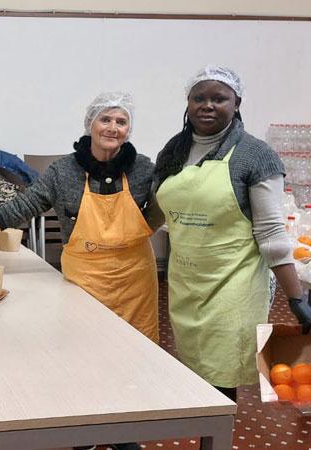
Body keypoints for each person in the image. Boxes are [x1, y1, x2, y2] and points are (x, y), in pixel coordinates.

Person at [0, 92, 158, 450]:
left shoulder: (144, 169)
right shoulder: (63, 171)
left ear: (129, 129)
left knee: (130, 359)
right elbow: (22, 206)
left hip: (134, 281)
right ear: (90, 124)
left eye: (121, 121)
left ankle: (125, 432)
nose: (112, 127)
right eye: (105, 119)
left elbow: (165, 207)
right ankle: (85, 431)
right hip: (86, 280)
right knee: (82, 357)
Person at [153, 65, 311, 408]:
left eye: (219, 98)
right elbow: (157, 209)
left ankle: (215, 433)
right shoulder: (173, 151)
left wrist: (296, 298)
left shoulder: (255, 155)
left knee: (220, 377)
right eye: (199, 98)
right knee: (192, 368)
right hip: (186, 282)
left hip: (233, 285)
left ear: (236, 103)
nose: (207, 105)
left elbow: (271, 232)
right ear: (188, 103)